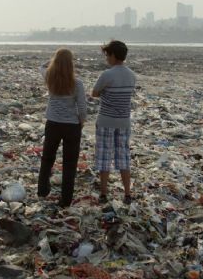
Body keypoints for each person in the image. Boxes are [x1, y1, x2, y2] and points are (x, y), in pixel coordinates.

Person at [37, 48, 87, 208]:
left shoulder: (50, 78)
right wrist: (81, 122)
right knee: (70, 163)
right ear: (71, 64)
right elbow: (82, 107)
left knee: (47, 158)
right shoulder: (77, 83)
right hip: (71, 126)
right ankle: (65, 200)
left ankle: (42, 191)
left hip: (53, 123)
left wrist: (53, 60)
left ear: (55, 62)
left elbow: (41, 66)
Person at [92, 40, 136, 204]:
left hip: (106, 121)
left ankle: (103, 194)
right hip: (124, 121)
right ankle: (127, 194)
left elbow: (95, 93)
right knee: (123, 158)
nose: (106, 58)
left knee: (104, 157)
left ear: (113, 55)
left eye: (107, 55)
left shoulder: (107, 75)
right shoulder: (131, 75)